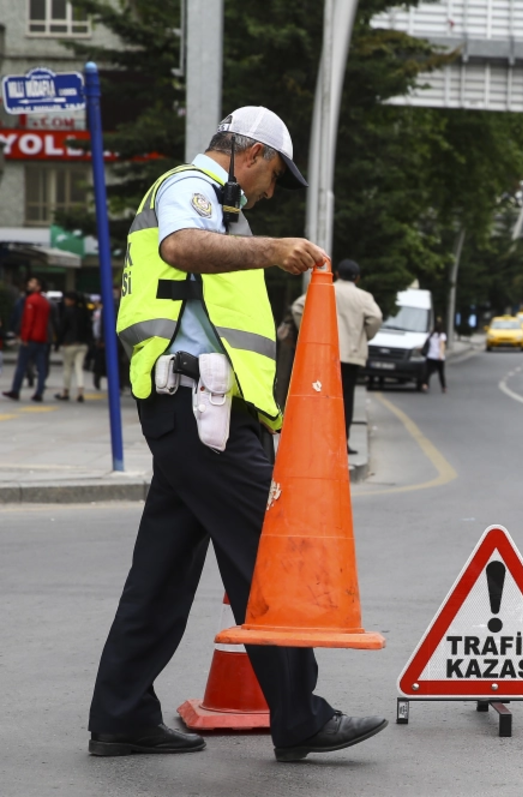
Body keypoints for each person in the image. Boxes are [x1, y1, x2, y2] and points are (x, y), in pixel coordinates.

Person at [88, 107, 386, 762]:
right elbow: (180, 248)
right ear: (250, 153)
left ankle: (121, 714)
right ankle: (300, 716)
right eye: (273, 173)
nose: (270, 190)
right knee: (271, 560)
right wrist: (271, 248)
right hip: (201, 408)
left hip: (199, 411)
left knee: (162, 574)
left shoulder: (222, 211)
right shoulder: (189, 189)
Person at [291, 258, 381, 453]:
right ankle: (342, 443)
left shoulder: (325, 288)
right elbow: (376, 318)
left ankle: (316, 440)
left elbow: (298, 307)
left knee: (320, 395)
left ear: (338, 274)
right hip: (351, 355)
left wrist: (308, 333)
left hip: (323, 353)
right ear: (357, 278)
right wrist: (364, 336)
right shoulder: (364, 297)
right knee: (345, 399)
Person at [3, 277, 51, 401]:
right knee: (41, 366)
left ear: (38, 287)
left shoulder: (31, 300)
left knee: (21, 365)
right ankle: (39, 392)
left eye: (32, 283)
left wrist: (24, 337)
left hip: (31, 338)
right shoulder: (45, 302)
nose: (29, 284)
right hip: (42, 337)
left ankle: (15, 390)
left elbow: (28, 321)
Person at [54, 292, 94, 402]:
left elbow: (62, 329)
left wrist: (57, 344)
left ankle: (65, 392)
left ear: (72, 301)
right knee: (79, 368)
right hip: (82, 344)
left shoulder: (67, 312)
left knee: (67, 368)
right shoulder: (85, 312)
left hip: (69, 343)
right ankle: (80, 391)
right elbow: (89, 329)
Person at [422, 318, 448, 393]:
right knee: (441, 373)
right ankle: (443, 387)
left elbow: (426, 344)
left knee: (427, 372)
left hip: (430, 356)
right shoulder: (442, 335)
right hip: (439, 357)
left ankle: (425, 385)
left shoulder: (430, 335)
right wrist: (440, 354)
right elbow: (442, 345)